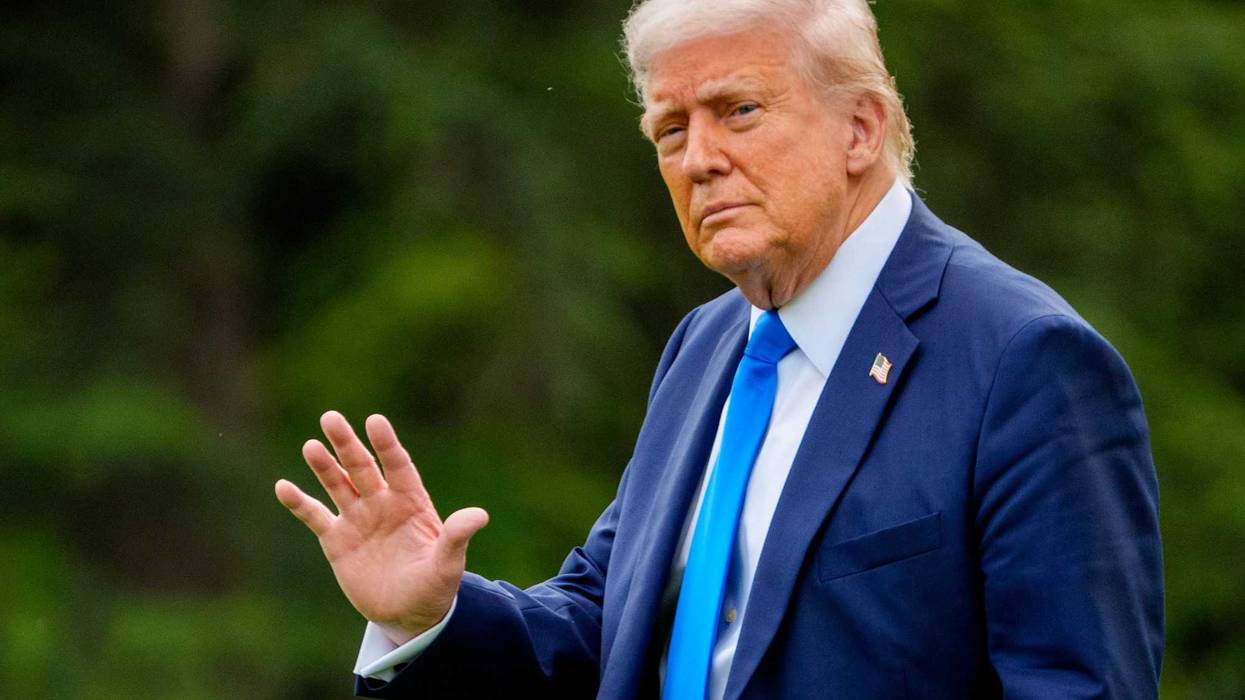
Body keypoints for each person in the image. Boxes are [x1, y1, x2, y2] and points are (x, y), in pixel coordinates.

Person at [275, 0, 1165, 697]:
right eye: (670, 129)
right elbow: (606, 626)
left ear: (860, 127)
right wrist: (430, 617)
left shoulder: (1025, 361)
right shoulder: (704, 346)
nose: (697, 158)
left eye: (737, 110)